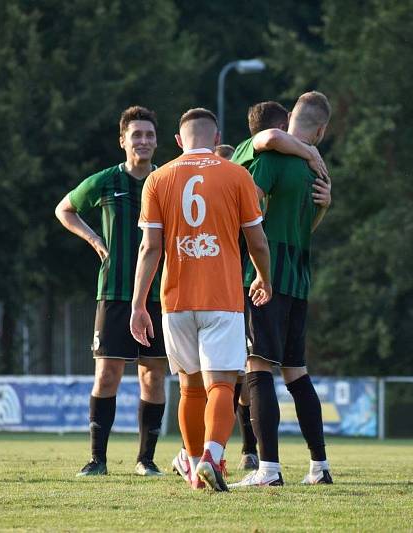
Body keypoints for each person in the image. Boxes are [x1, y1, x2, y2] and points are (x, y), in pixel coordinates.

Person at [131, 108, 272, 492]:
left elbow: (149, 247)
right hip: (222, 297)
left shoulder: (157, 179)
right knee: (222, 386)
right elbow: (257, 240)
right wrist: (263, 275)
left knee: (190, 388)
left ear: (178, 141)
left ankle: (194, 468)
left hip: (175, 299)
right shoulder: (237, 174)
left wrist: (138, 304)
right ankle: (212, 456)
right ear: (215, 138)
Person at [55, 106, 168, 477]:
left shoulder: (167, 181)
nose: (144, 141)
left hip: (159, 294)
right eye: (136, 135)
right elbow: (64, 209)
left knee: (153, 374)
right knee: (107, 373)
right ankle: (97, 460)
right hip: (115, 293)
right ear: (122, 141)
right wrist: (92, 238)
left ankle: (145, 460)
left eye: (150, 135)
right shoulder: (106, 181)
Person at [232, 91, 334, 488]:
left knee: (257, 366)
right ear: (321, 130)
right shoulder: (319, 174)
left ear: (290, 116)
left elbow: (249, 210)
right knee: (296, 372)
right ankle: (319, 465)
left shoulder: (271, 160)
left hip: (266, 275)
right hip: (299, 278)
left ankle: (268, 469)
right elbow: (305, 225)